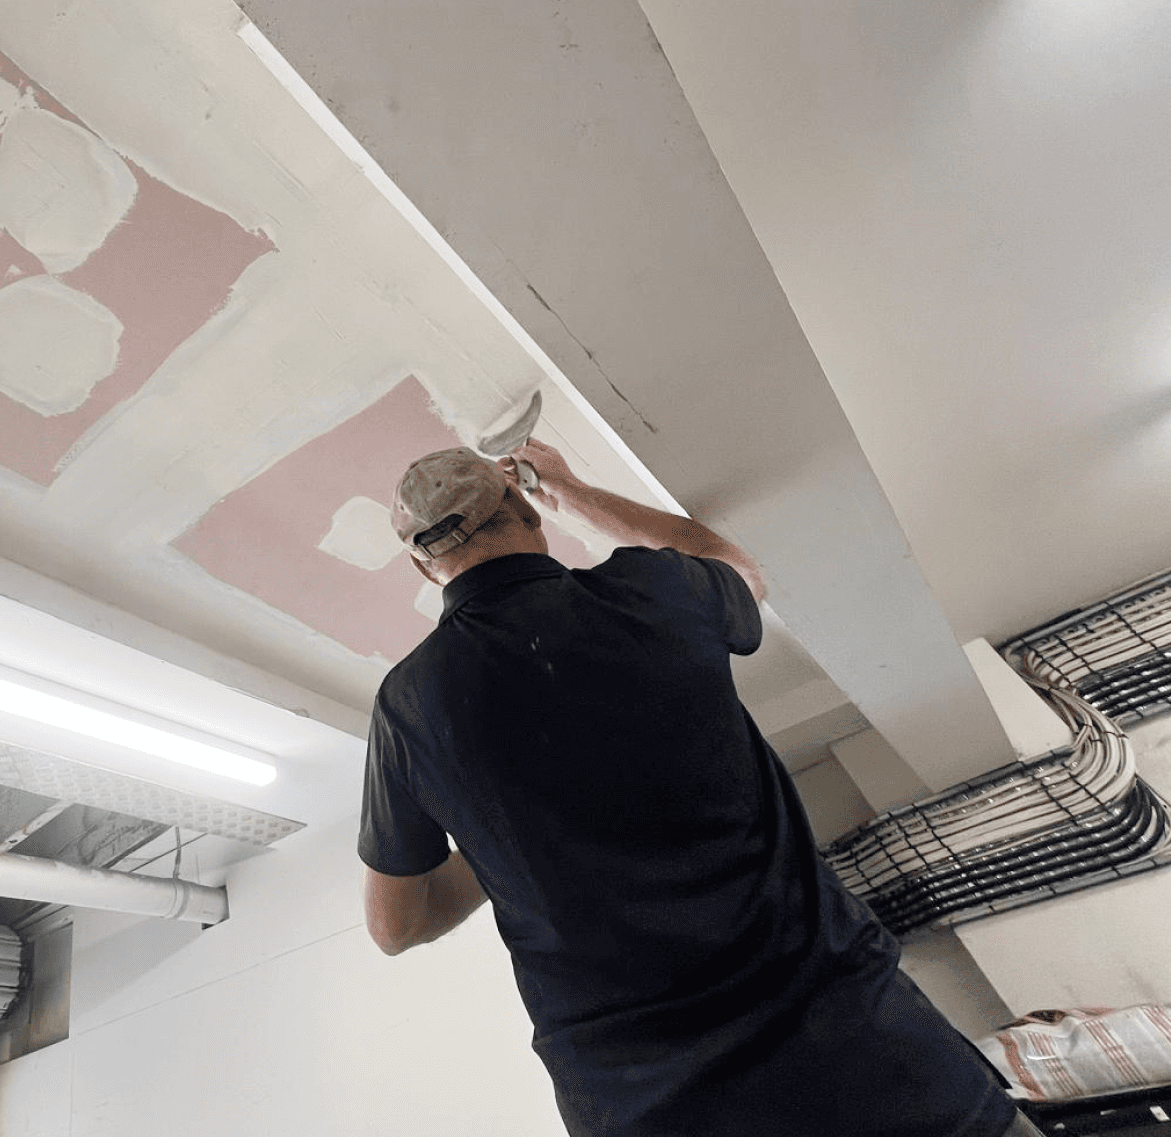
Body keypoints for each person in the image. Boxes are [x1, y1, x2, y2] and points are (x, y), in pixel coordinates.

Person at [359, 440, 1036, 1137]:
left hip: (649, 1104)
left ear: (422, 563)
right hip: (858, 1045)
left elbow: (395, 926)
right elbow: (740, 570)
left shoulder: (409, 704)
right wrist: (571, 487)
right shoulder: (654, 591)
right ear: (525, 508)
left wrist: (507, 833)